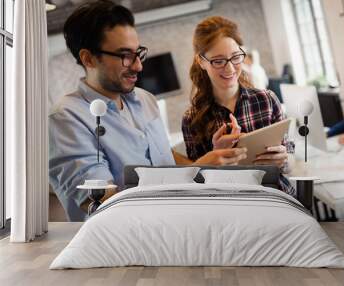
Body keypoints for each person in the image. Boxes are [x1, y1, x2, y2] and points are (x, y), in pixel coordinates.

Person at [49, 1, 247, 221]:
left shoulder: (145, 100)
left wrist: (209, 162)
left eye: (138, 53)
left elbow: (165, 157)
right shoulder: (66, 119)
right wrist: (199, 171)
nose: (138, 66)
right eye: (125, 55)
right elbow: (105, 205)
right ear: (88, 58)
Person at [181, 16, 295, 196]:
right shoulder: (192, 119)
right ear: (201, 61)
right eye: (218, 61)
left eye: (235, 57)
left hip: (277, 196)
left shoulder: (266, 100)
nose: (230, 69)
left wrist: (284, 159)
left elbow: (291, 162)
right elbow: (197, 184)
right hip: (232, 206)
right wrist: (216, 155)